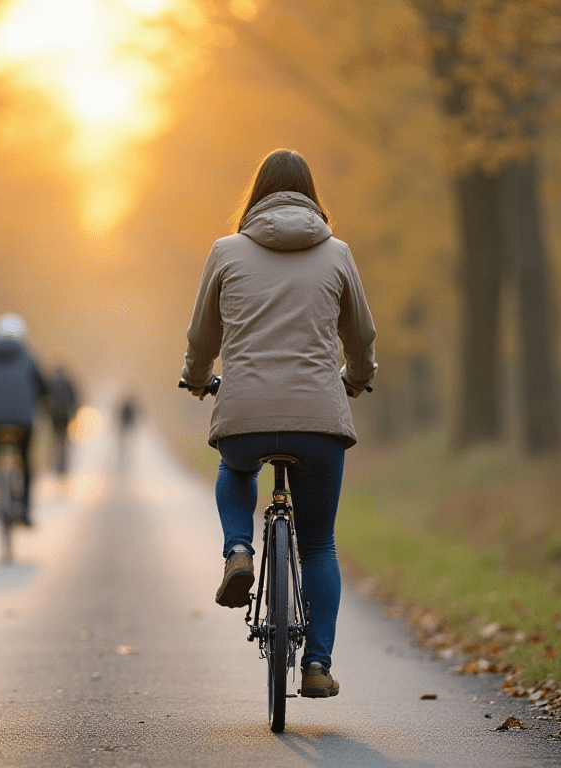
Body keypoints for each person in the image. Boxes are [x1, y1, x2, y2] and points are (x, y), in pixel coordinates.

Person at [180, 148, 376, 700]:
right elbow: (361, 336)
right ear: (312, 195)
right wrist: (356, 378)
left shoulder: (225, 251)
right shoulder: (337, 254)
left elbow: (202, 335)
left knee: (236, 468)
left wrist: (196, 378)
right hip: (319, 421)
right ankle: (316, 665)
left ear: (257, 195)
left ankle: (238, 551)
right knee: (318, 545)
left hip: (244, 414)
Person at [0, 313, 48, 524]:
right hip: (23, 422)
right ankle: (25, 508)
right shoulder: (30, 358)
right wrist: (38, 403)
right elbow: (43, 388)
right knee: (25, 459)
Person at [45, 366, 80, 475]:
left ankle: (53, 463)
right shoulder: (68, 383)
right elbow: (74, 399)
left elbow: (45, 398)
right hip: (65, 415)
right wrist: (73, 413)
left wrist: (47, 411)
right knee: (64, 440)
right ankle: (63, 464)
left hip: (54, 415)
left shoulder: (51, 383)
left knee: (54, 438)